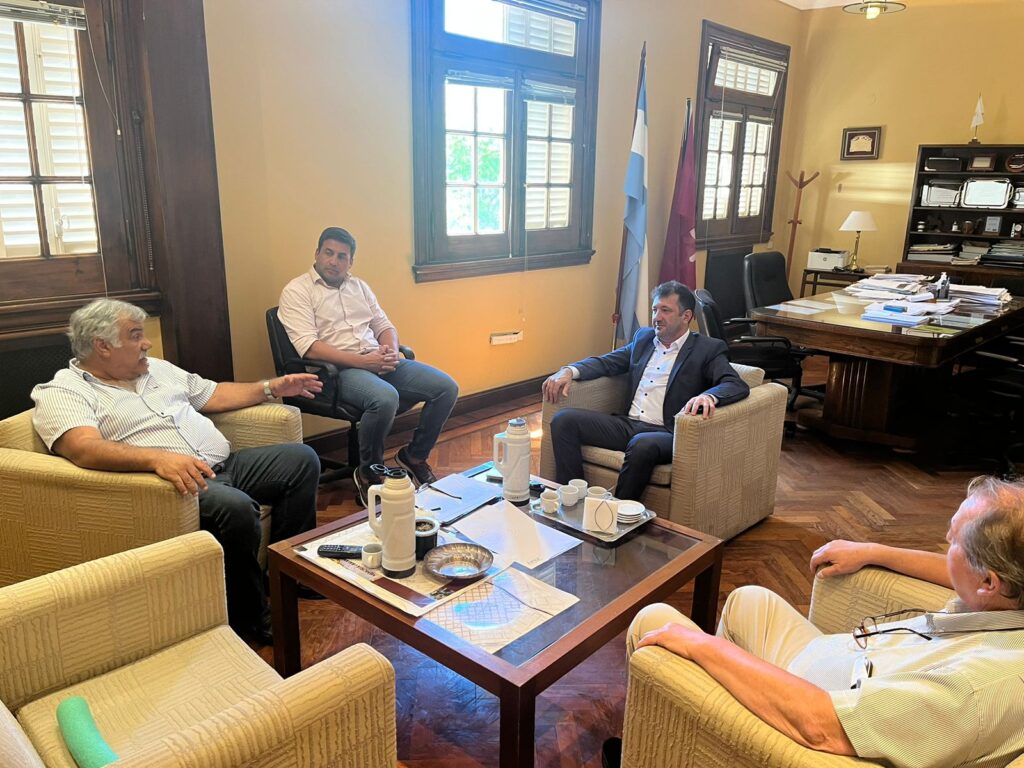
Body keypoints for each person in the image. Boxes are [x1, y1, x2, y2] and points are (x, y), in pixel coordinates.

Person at [620, 476, 1024, 768]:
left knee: (654, 621)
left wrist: (704, 647)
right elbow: (958, 569)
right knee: (750, 601)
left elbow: (821, 727)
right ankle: (698, 739)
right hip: (845, 665)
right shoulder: (1006, 594)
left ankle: (670, 735)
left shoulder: (974, 689)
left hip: (814, 714)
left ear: (988, 582)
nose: (945, 544)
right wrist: (873, 550)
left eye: (952, 541)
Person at [31, 298, 324, 646]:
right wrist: (157, 459)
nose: (147, 343)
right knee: (235, 508)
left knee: (301, 460)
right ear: (102, 346)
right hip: (171, 486)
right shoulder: (64, 390)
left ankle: (287, 576)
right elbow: (83, 447)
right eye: (136, 335)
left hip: (223, 465)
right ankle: (249, 618)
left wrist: (271, 387)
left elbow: (213, 394)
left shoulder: (156, 369)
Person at [278, 226, 458, 505]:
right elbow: (310, 347)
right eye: (328, 253)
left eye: (342, 256)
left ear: (350, 261)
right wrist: (364, 362)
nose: (333, 261)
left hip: (376, 360)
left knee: (446, 387)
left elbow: (384, 326)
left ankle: (414, 456)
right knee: (385, 398)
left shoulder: (359, 287)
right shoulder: (297, 290)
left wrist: (389, 351)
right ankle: (369, 473)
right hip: (335, 373)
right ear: (317, 253)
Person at [542, 280, 749, 500]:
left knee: (641, 444)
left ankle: (619, 512)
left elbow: (735, 383)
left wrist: (709, 396)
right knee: (564, 420)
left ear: (686, 316)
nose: (657, 317)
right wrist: (569, 371)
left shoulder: (706, 349)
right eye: (654, 309)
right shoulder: (644, 339)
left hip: (666, 432)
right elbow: (607, 362)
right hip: (627, 425)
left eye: (665, 310)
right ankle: (573, 499)